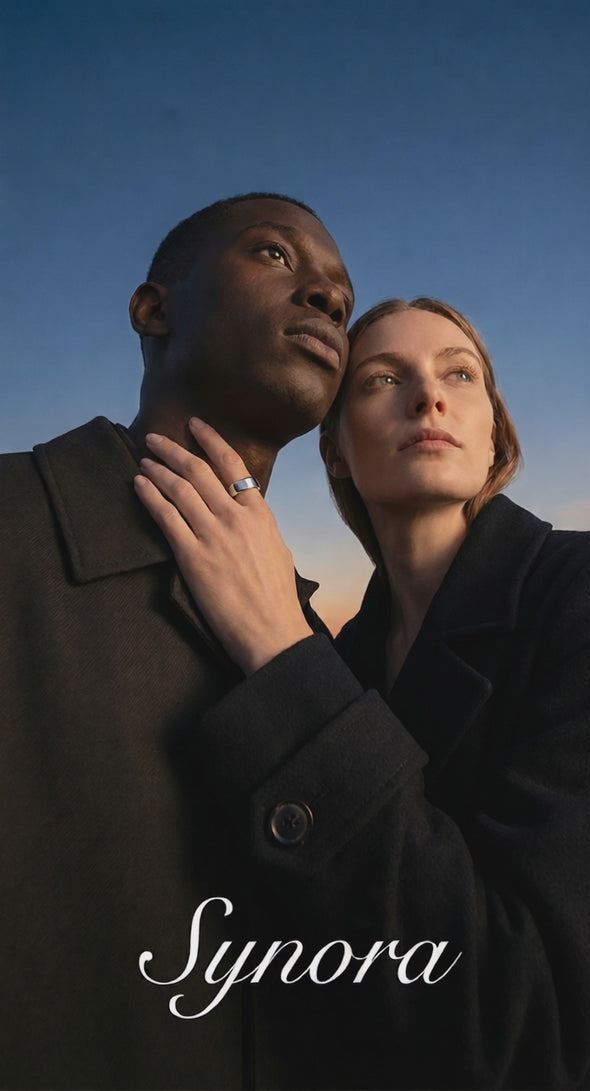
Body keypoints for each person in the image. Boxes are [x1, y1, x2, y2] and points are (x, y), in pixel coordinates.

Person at [135, 297, 590, 1089]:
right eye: (383, 378)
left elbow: (536, 1031)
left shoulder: (583, 594)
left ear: (495, 436)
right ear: (339, 448)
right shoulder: (347, 657)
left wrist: (280, 645)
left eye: (461, 373)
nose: (429, 396)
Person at [0, 192, 355, 1090]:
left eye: (343, 303)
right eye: (276, 256)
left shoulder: (317, 640)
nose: (324, 300)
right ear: (153, 310)